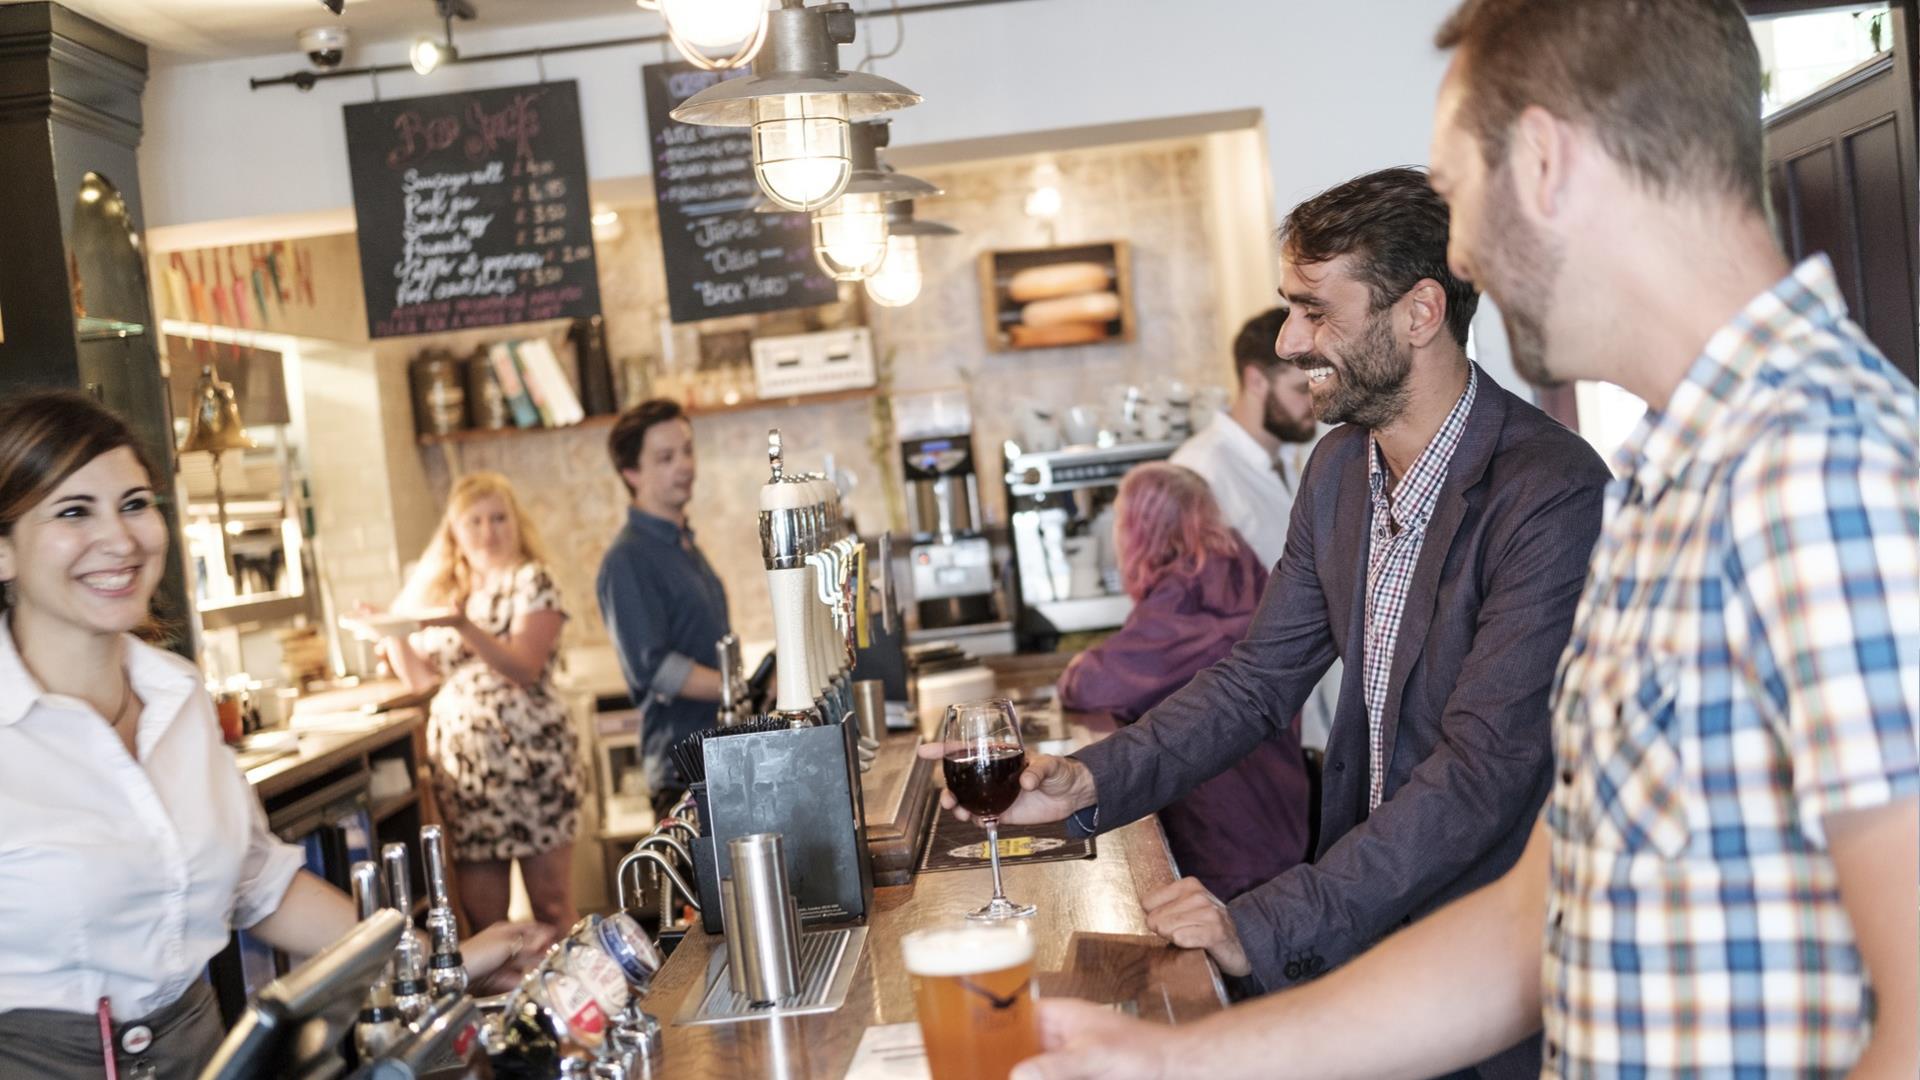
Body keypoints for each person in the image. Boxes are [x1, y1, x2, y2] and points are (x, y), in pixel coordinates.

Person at [1012, 2, 1919, 1078]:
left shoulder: (1826, 474)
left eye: (1460, 190)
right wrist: (1170, 1062)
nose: (1468, 249)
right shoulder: (1682, 482)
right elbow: (1527, 926)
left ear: (1543, 162)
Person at [936, 166, 1611, 1079]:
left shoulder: (1550, 492)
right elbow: (1257, 682)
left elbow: (1481, 777)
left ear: (1419, 314)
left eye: (1316, 311)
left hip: (1487, 973)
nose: (1291, 340)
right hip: (1362, 939)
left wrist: (1268, 920)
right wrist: (1084, 785)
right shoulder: (1338, 471)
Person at [0, 391, 547, 1079]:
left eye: (135, 503)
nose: (121, 538)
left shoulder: (178, 696)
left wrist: (439, 965)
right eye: (74, 511)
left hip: (202, 1058)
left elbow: (260, 885)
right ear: (3, 552)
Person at [1055, 463, 1310, 901]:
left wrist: (1078, 663)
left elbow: (1094, 683)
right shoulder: (1240, 569)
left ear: (1141, 529)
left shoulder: (1188, 589)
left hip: (1228, 835)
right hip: (1281, 809)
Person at [382, 471, 581, 930]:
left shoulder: (534, 581)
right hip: (467, 774)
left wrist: (464, 627)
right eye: (474, 521)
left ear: (517, 523)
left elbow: (523, 669)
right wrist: (390, 632)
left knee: (550, 905)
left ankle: (578, 998)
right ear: (454, 529)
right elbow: (419, 680)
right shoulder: (444, 590)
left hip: (533, 762)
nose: (488, 531)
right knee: (483, 917)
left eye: (498, 518)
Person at [1171, 308, 1340, 749]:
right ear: (1256, 380)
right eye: (1299, 388)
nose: (1313, 400)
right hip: (1250, 712)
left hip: (1312, 706)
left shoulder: (1295, 458)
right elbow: (1192, 619)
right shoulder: (1198, 473)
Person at [595, 399, 731, 820]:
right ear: (631, 473)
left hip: (718, 755)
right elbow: (656, 670)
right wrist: (738, 684)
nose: (685, 465)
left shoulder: (683, 544)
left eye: (687, 450)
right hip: (682, 772)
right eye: (666, 458)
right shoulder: (628, 559)